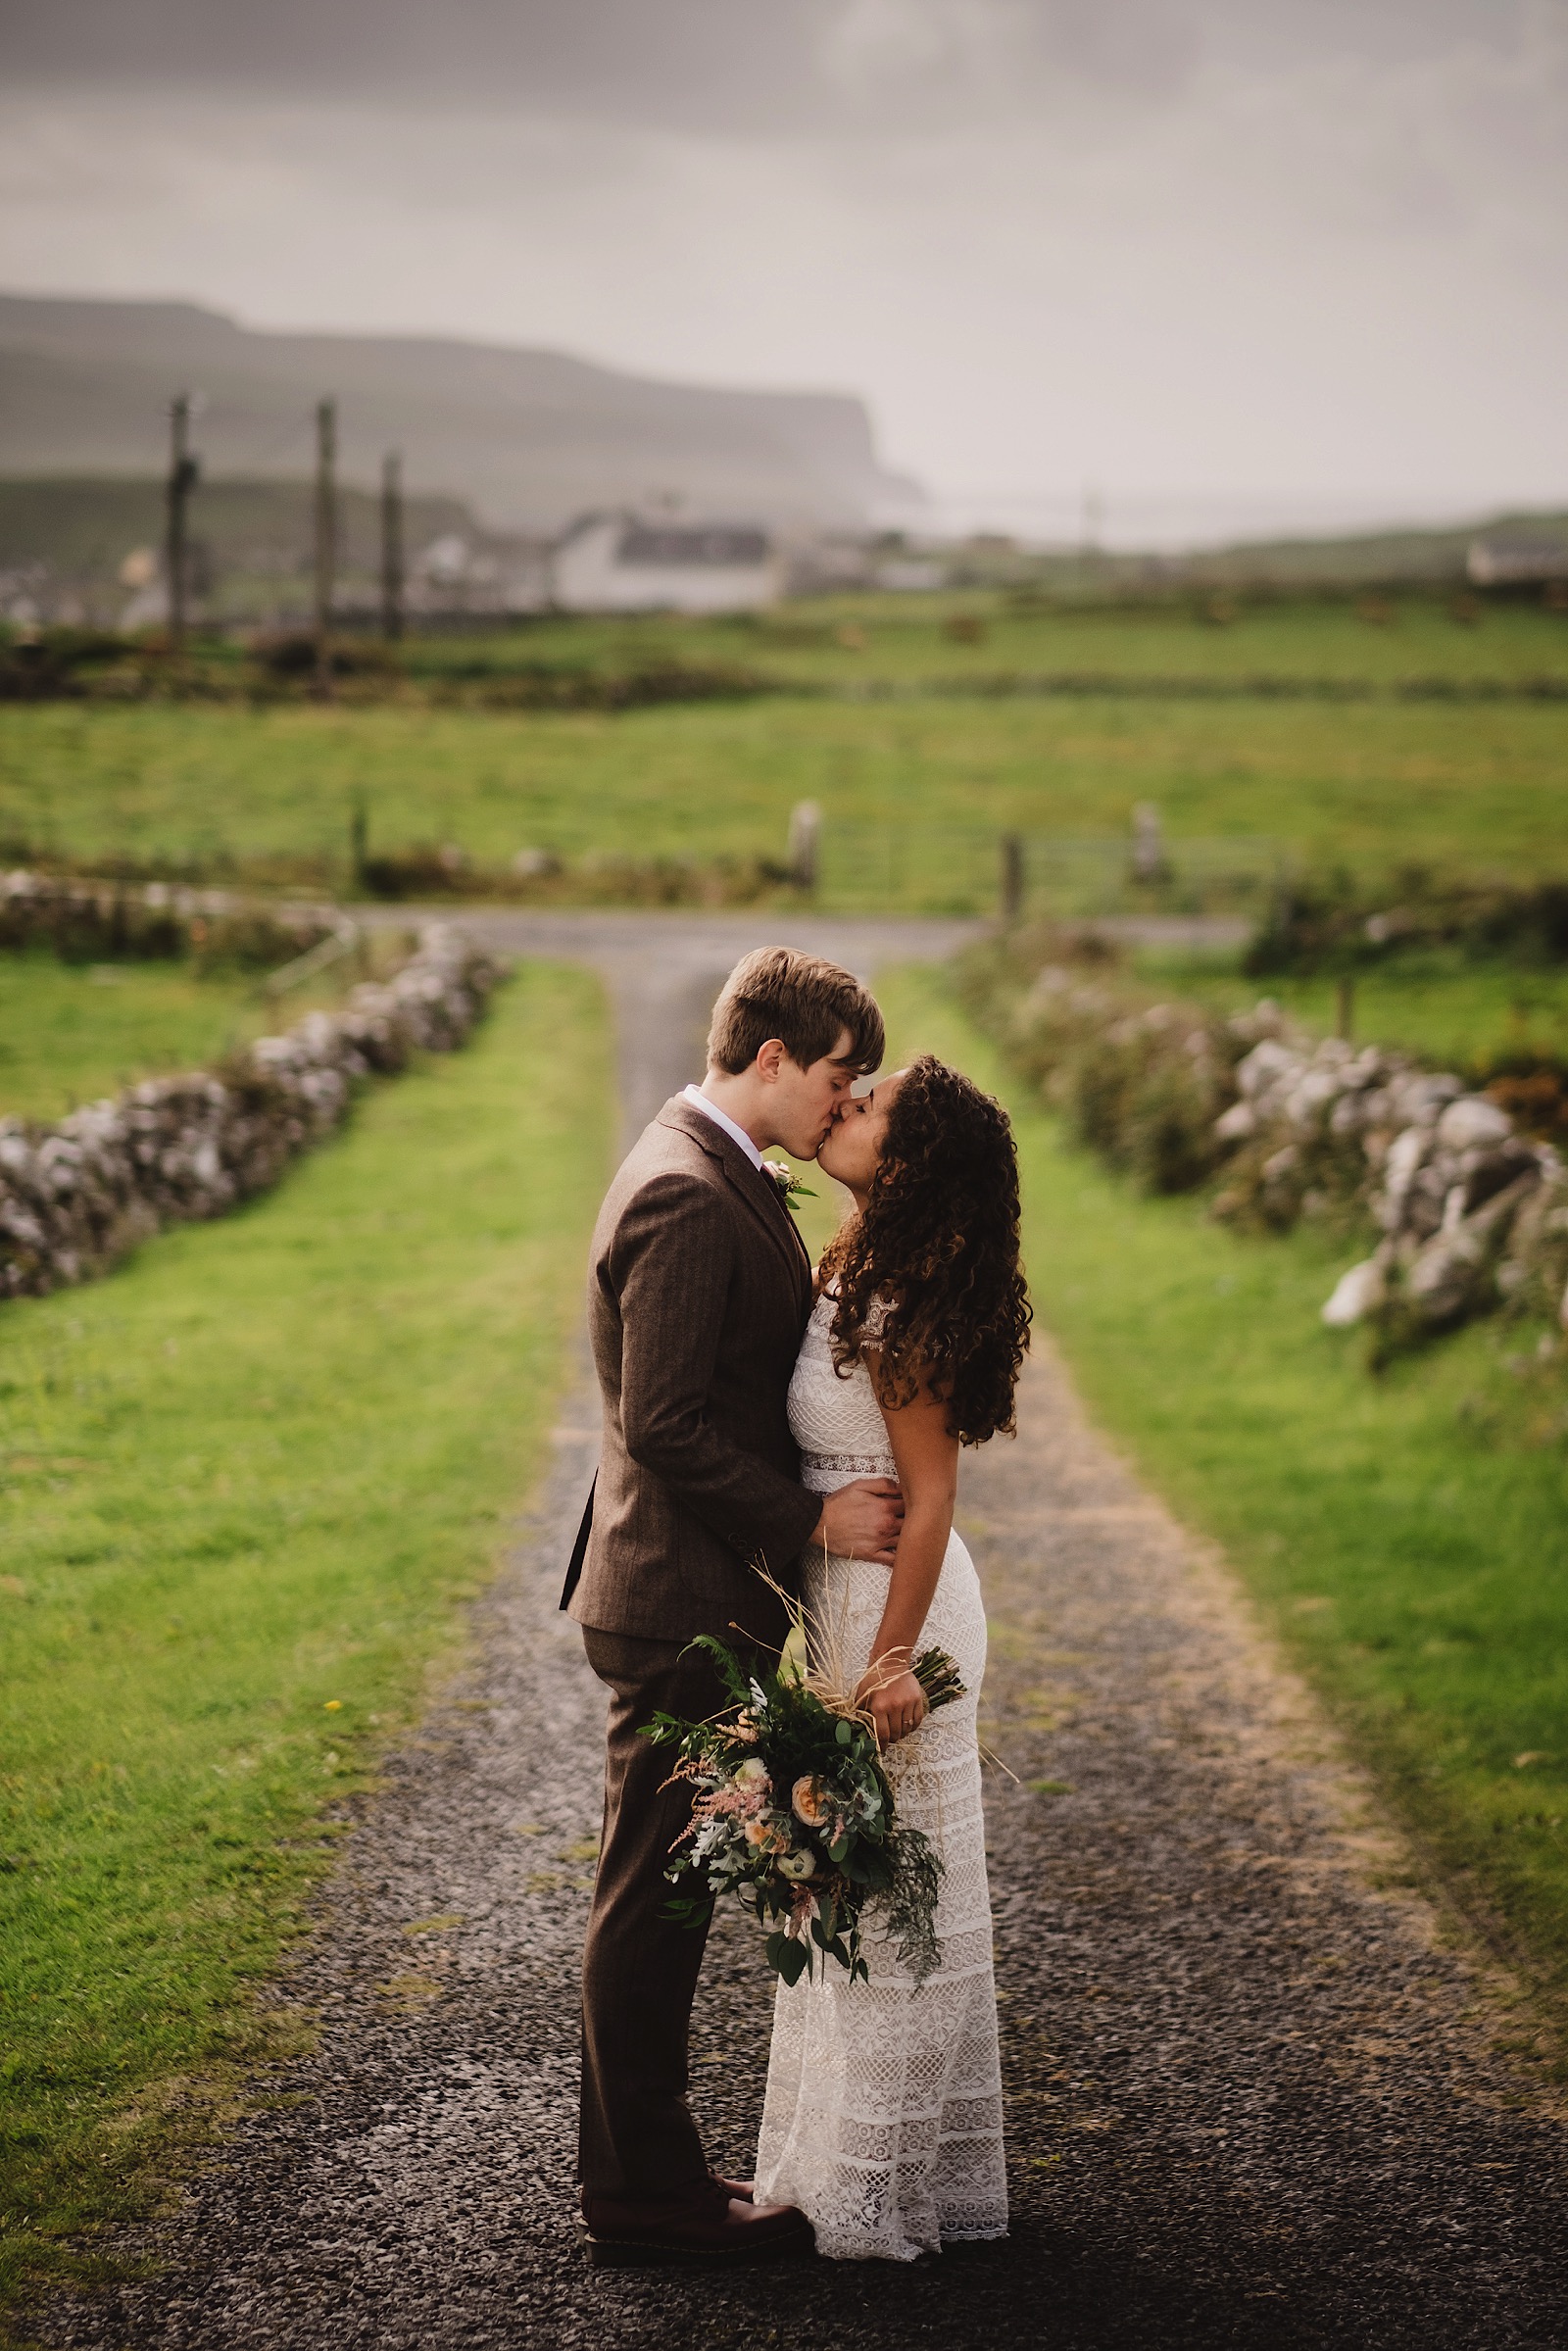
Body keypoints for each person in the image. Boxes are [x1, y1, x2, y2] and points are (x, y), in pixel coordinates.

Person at [567, 946, 904, 2266]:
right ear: (771, 1057)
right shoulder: (687, 1194)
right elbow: (661, 1421)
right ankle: (645, 2195)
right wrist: (811, 1518)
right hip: (675, 1599)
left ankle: (645, 2161)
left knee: (665, 1892)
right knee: (651, 1897)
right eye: (836, 1073)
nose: (843, 1099)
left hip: (691, 1592)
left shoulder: (711, 1157)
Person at [754, 1054, 1029, 2260]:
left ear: (907, 1166)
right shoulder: (847, 1259)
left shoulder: (902, 1298)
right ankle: (832, 2167)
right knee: (839, 1892)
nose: (843, 1108)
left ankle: (879, 2192)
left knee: (889, 1905)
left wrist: (897, 1660)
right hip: (837, 1597)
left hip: (892, 1615)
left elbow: (930, 1495)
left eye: (866, 1109)